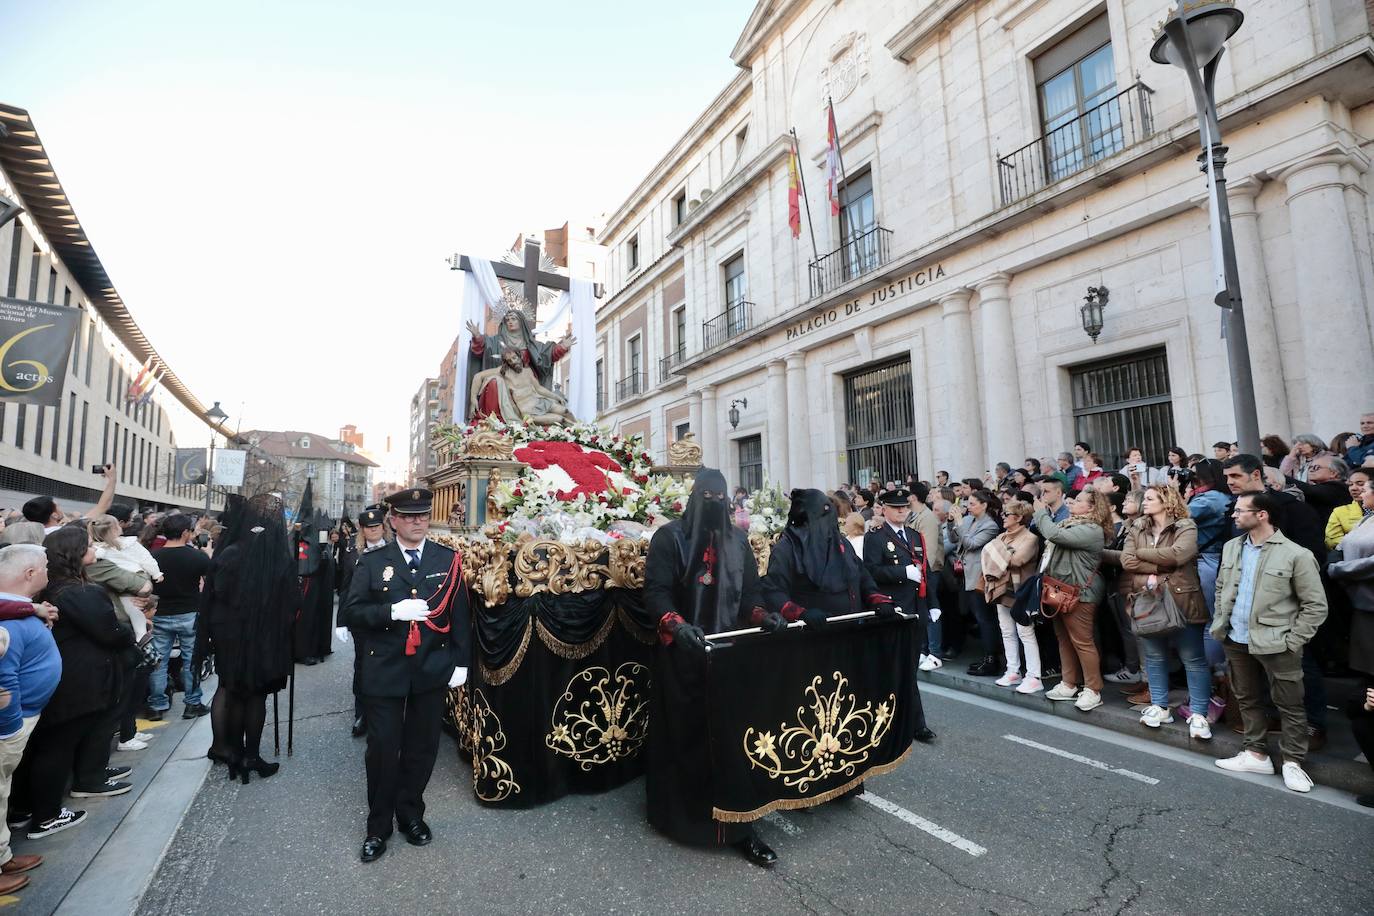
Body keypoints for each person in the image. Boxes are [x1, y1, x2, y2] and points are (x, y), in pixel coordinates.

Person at [644, 468, 778, 868]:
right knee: (685, 739)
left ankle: (742, 829)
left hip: (731, 658)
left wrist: (762, 616)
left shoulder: (739, 542)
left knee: (735, 746)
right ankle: (680, 819)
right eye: (707, 497)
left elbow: (751, 596)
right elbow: (656, 590)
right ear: (694, 497)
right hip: (683, 657)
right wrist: (675, 624)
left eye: (719, 498)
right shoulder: (669, 538)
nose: (713, 504)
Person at [340, 488, 467, 863]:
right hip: (385, 668)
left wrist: (463, 662)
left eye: (422, 516)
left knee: (422, 747)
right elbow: (353, 611)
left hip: (431, 667)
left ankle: (411, 814)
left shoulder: (448, 558)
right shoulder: (374, 561)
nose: (416, 521)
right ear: (392, 520)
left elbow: (460, 614)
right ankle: (377, 826)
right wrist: (391, 612)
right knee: (382, 749)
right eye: (408, 516)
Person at [18, 528, 135, 840]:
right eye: (88, 546)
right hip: (77, 680)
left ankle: (25, 809)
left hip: (62, 677)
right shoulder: (76, 592)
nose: (94, 548)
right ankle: (47, 815)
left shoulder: (49, 591)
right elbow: (111, 632)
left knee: (50, 745)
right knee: (56, 748)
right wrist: (126, 632)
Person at [1213, 491, 1328, 792]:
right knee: (1247, 698)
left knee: (1289, 703)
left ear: (1261, 514)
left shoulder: (1296, 554)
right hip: (1235, 637)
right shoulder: (1231, 547)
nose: (1234, 515)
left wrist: (1294, 640)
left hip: (1278, 642)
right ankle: (1255, 753)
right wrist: (1220, 621)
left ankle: (1292, 761)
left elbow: (1315, 606)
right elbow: (1222, 587)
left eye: (1240, 511)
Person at [199, 495, 296, 783]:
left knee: (232, 690)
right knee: (255, 695)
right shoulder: (278, 557)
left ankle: (232, 751)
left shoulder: (230, 552)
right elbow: (292, 601)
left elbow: (217, 593)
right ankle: (250, 756)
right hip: (264, 636)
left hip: (230, 633)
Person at [1121, 486, 1212, 738]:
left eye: (1150, 498)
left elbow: (1180, 554)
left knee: (1193, 660)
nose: (1144, 503)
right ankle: (1160, 706)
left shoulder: (1185, 526)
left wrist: (1142, 556)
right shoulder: (1137, 527)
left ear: (1166, 500)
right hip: (1148, 599)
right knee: (1154, 657)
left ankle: (1199, 713)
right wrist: (1162, 564)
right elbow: (1126, 561)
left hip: (1182, 599)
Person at [0, 545, 61, 895]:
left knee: (2, 794)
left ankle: (3, 854)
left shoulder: (17, 610)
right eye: (45, 568)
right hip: (10, 724)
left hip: (20, 720)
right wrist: (8, 729)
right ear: (29, 575)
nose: (48, 573)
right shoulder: (9, 622)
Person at [861, 489, 935, 741]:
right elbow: (870, 572)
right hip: (892, 610)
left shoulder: (915, 536)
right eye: (896, 507)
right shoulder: (876, 537)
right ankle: (910, 723)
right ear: (884, 509)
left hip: (915, 610)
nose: (902, 511)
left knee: (909, 669)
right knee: (893, 668)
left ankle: (908, 721)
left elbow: (926, 571)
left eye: (904, 507)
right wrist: (902, 573)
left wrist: (933, 603)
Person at [1037, 489, 1111, 712]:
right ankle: (1069, 684)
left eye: (1078, 501)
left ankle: (1093, 689)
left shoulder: (1091, 530)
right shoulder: (1071, 524)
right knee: (1064, 639)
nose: (1072, 503)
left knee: (1082, 641)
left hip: (1080, 592)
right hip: (1061, 590)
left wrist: (1041, 513)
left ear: (1091, 507)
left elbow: (1053, 535)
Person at [1327, 477, 1374, 806]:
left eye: (1367, 487)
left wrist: (1340, 569)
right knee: (1363, 705)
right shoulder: (1365, 517)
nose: (1360, 491)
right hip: (1363, 612)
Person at [149, 514, 212, 721]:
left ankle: (157, 705)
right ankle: (192, 703)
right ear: (185, 533)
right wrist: (208, 553)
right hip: (189, 613)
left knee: (159, 661)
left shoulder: (153, 556)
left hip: (162, 612)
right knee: (191, 660)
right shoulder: (197, 557)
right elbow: (213, 581)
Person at [335, 506, 388, 738]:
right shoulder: (353, 553)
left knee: (386, 666)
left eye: (377, 526)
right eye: (369, 527)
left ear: (383, 528)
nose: (373, 531)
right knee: (363, 666)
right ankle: (362, 714)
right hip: (362, 620)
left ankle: (384, 713)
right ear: (363, 531)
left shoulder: (393, 551)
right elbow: (344, 587)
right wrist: (341, 621)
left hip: (387, 617)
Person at [981, 501, 1042, 693]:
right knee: (1006, 631)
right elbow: (987, 554)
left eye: (1008, 514)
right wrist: (1005, 553)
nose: (1003, 517)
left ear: (1019, 518)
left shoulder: (1030, 538)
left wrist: (1000, 553)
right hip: (1001, 588)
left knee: (1026, 633)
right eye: (1004, 513)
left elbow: (1018, 560)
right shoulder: (1001, 536)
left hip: (1021, 591)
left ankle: (1034, 676)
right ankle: (1013, 670)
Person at [947, 490, 1002, 676]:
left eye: (972, 504)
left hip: (979, 576)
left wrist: (960, 523)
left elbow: (971, 544)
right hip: (964, 574)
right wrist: (951, 522)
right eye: (967, 504)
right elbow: (955, 540)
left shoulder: (990, 525)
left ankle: (991, 659)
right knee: (970, 613)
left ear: (984, 505)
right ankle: (986, 656)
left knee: (984, 618)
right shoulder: (969, 521)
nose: (968, 507)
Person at [21, 465, 117, 534]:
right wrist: (112, 479)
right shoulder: (68, 531)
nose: (61, 509)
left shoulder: (32, 536)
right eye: (57, 506)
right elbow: (102, 507)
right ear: (54, 515)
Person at [1327, 468, 1371, 551]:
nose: (1353, 488)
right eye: (1350, 484)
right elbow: (1332, 541)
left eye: (1360, 484)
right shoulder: (1340, 512)